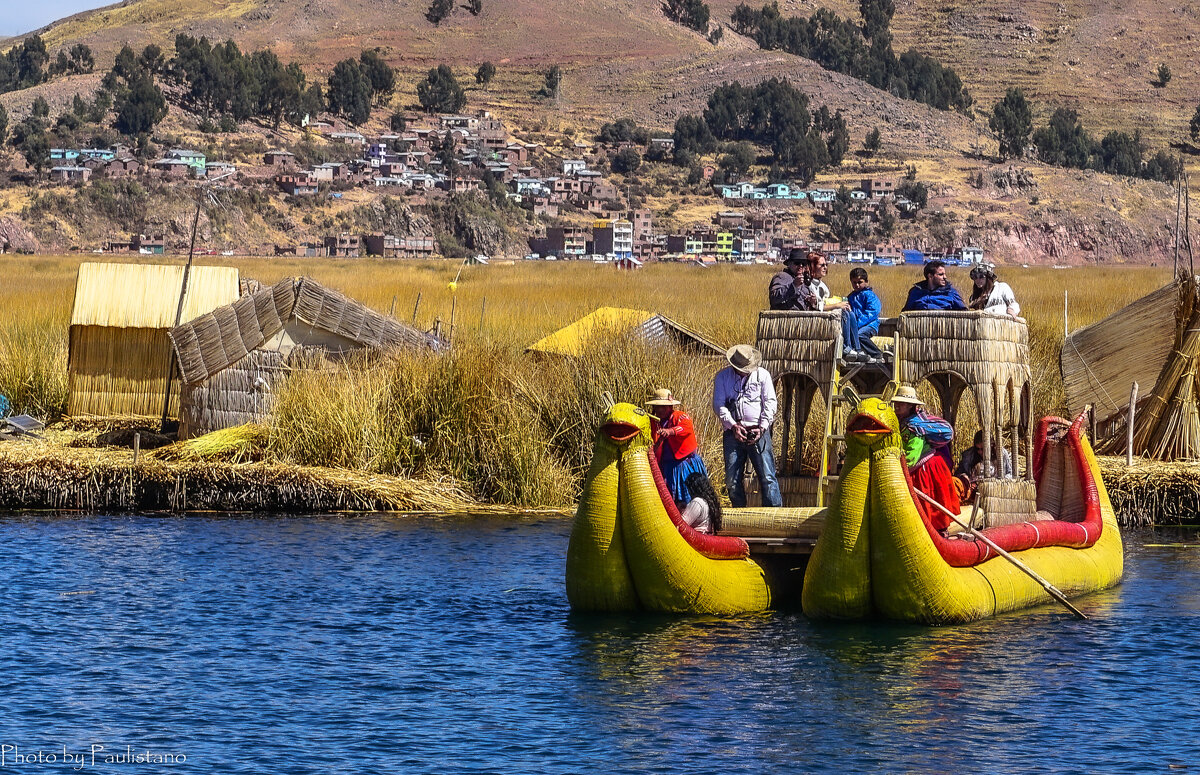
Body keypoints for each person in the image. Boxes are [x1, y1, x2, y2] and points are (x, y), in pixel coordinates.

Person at [712, 344, 782, 508]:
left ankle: (773, 517)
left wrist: (762, 427)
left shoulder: (762, 375)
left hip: (758, 431)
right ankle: (740, 514)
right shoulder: (723, 377)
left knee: (767, 476)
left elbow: (770, 403)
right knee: (732, 479)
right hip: (732, 433)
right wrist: (733, 425)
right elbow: (718, 405)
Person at [891, 385, 960, 531]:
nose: (897, 406)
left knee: (929, 504)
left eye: (901, 403)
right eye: (896, 403)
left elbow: (911, 456)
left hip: (926, 469)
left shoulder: (914, 427)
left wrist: (895, 469)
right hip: (920, 467)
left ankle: (937, 533)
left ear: (910, 406)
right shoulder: (901, 422)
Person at [646, 387, 714, 533]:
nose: (660, 410)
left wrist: (670, 431)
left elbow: (686, 428)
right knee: (670, 497)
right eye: (657, 407)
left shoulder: (679, 416)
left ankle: (692, 524)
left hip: (684, 464)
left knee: (689, 496)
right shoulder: (654, 422)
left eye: (663, 407)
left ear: (670, 407)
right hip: (667, 465)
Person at [846, 267, 885, 363]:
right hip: (857, 327)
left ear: (866, 282)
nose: (857, 285)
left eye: (860, 282)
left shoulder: (869, 295)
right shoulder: (851, 297)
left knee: (859, 336)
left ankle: (877, 354)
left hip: (870, 325)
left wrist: (856, 325)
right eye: (854, 282)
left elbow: (873, 311)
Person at [902, 259, 967, 312]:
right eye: (941, 274)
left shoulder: (951, 293)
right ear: (930, 276)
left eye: (944, 274)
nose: (945, 277)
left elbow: (964, 313)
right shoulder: (915, 292)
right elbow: (906, 313)